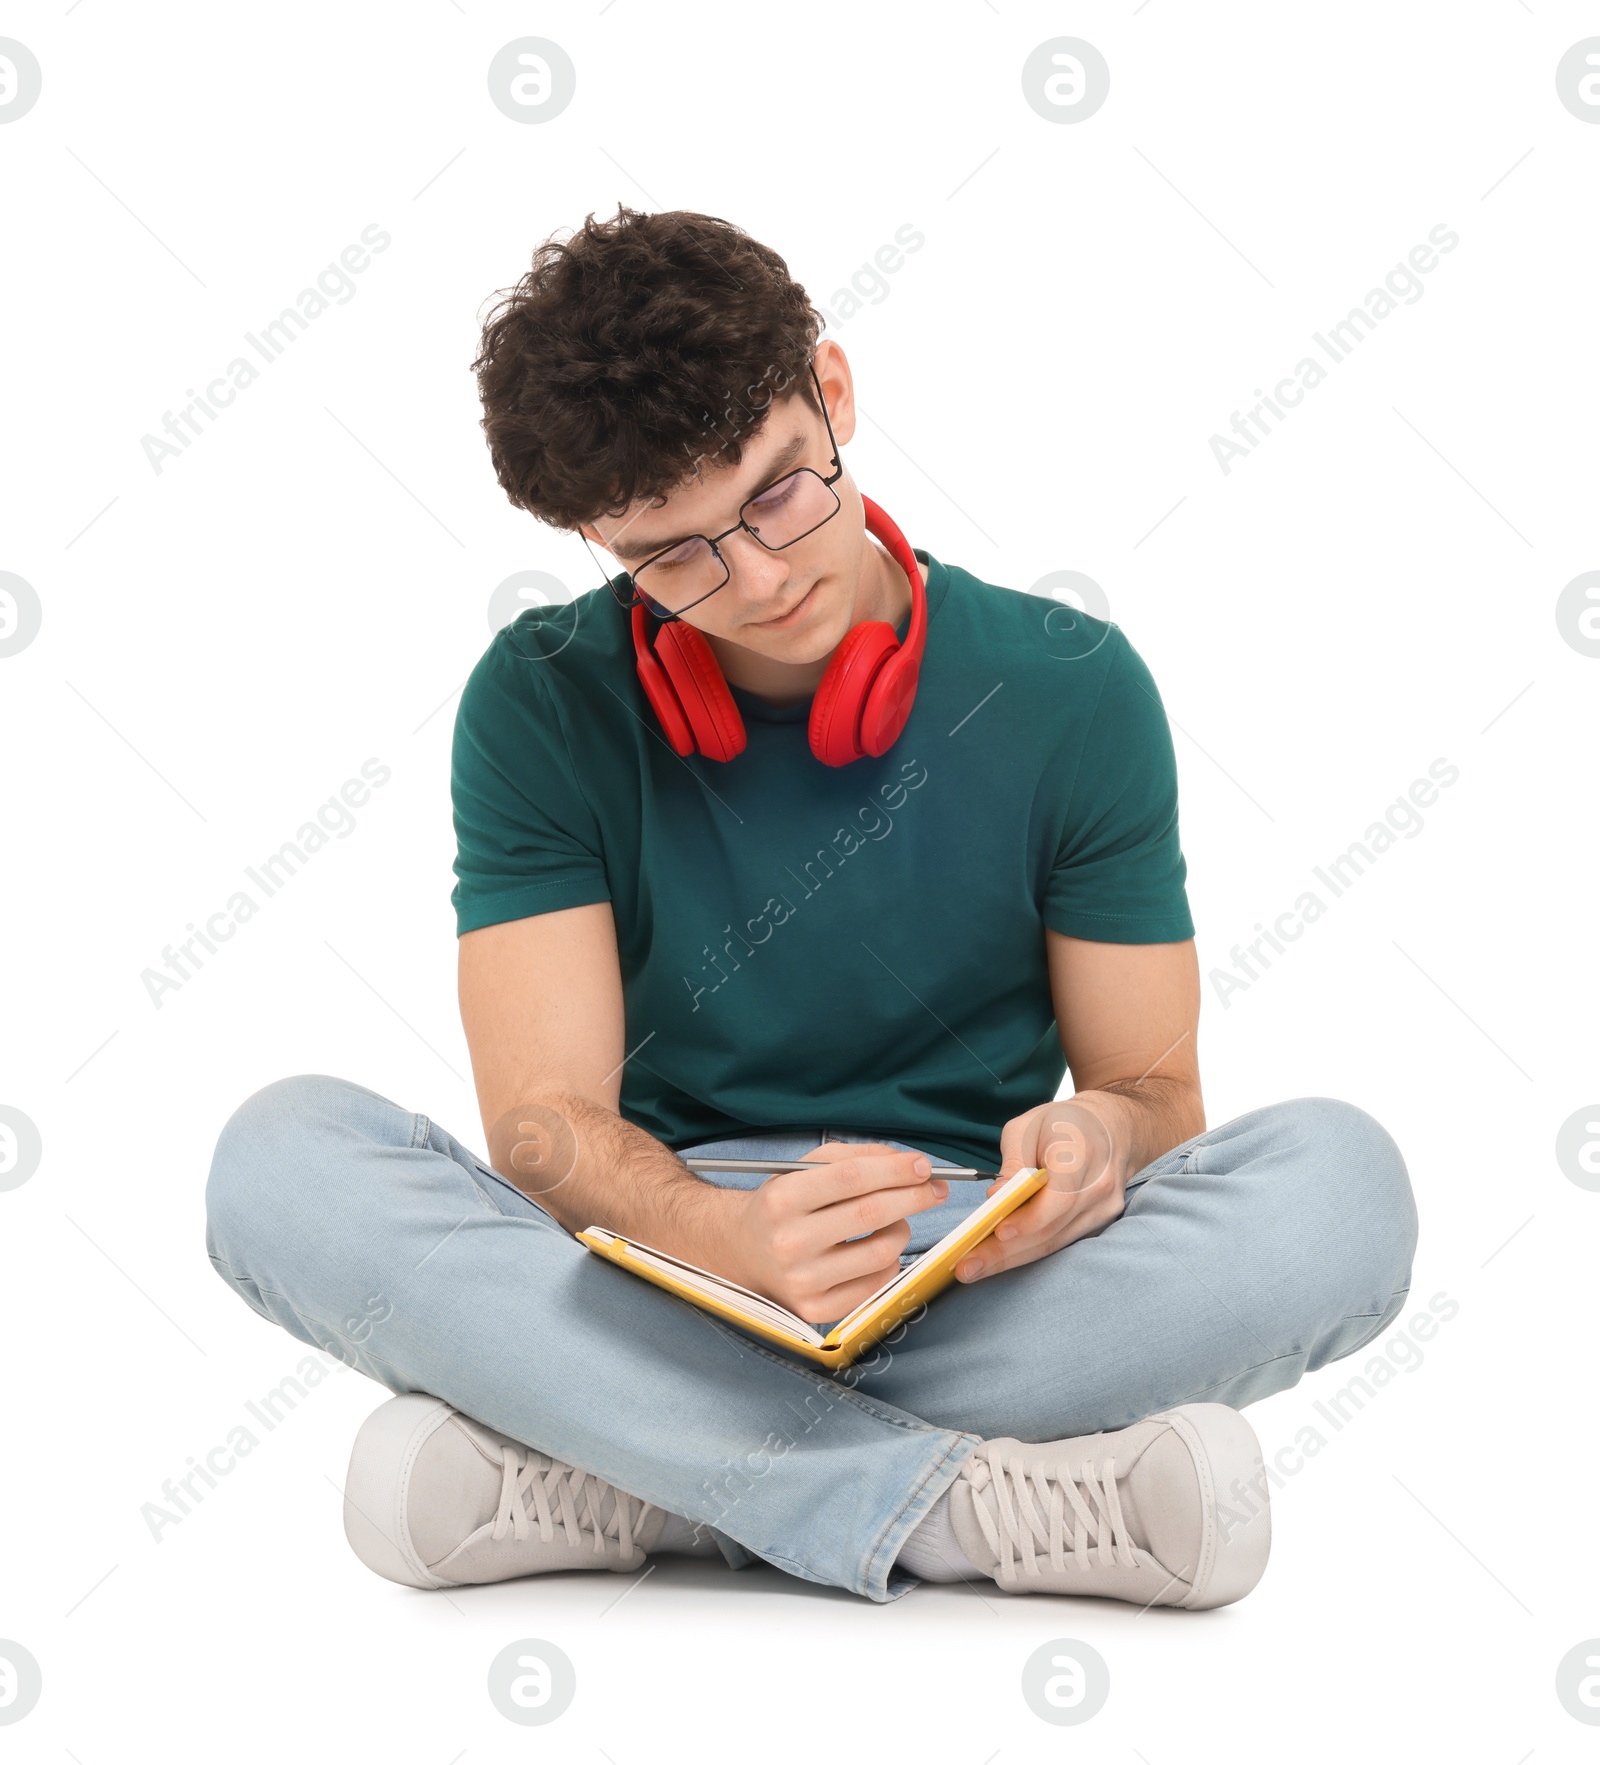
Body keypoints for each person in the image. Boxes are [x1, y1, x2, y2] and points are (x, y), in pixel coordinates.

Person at [204, 205, 1418, 1607]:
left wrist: (1093, 1142)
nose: (762, 577)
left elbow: (1156, 1092)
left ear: (832, 393)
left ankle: (632, 1466)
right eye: (676, 555)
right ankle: (954, 1508)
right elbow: (544, 1130)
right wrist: (725, 1240)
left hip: (977, 1273)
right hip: (663, 1270)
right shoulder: (538, 702)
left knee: (1344, 1192)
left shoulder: (1074, 686)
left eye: (780, 492)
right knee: (276, 1163)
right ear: (597, 536)